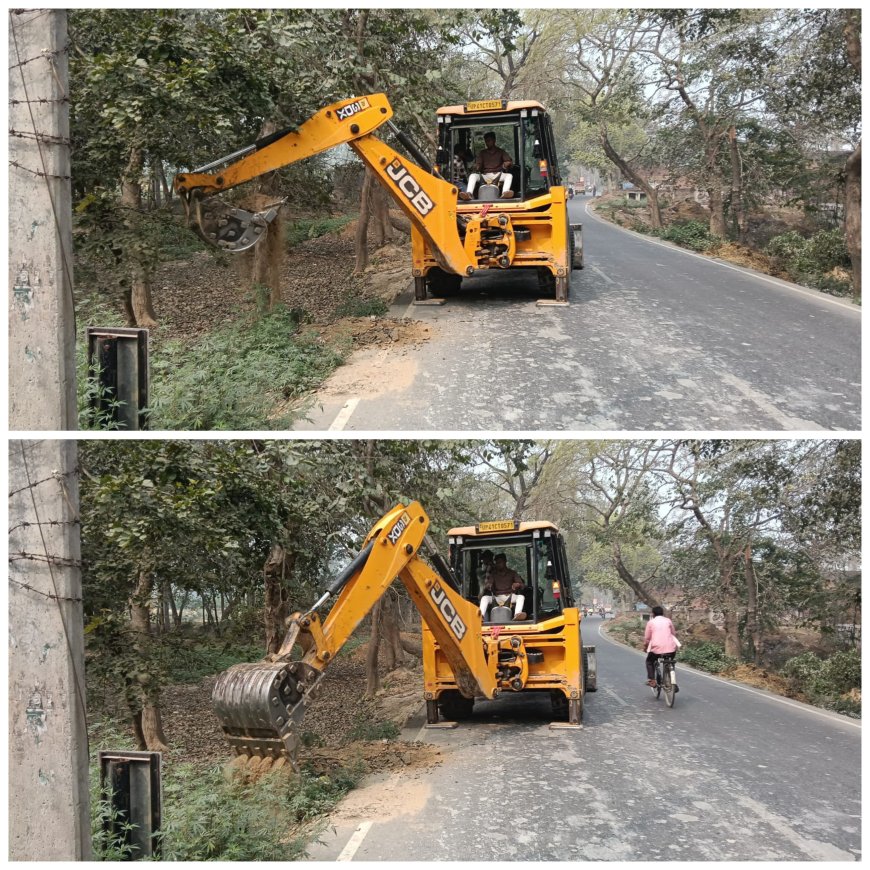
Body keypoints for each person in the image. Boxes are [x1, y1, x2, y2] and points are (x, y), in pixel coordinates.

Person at [460, 132, 514, 200]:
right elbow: (478, 165)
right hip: (485, 175)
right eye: (486, 141)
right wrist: (476, 166)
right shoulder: (482, 153)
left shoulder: (501, 151)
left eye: (489, 141)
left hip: (498, 174)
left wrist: (507, 163)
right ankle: (469, 194)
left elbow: (509, 161)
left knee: (509, 175)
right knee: (472, 176)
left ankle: (505, 193)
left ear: (494, 140)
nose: (487, 143)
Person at [479, 553, 526, 620]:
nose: (498, 564)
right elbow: (489, 584)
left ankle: (517, 615)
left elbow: (522, 585)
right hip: (496, 597)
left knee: (521, 597)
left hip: (510, 596)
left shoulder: (512, 573)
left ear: (505, 561)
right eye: (497, 563)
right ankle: (481, 616)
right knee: (484, 598)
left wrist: (517, 584)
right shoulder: (493, 574)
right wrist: (488, 585)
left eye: (500, 562)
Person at [642, 605, 678, 687]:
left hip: (656, 649)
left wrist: (645, 647)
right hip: (671, 649)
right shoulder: (668, 621)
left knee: (649, 661)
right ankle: (671, 676)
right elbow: (673, 633)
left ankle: (652, 680)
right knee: (670, 661)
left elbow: (647, 638)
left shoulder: (651, 622)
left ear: (653, 614)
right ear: (662, 613)